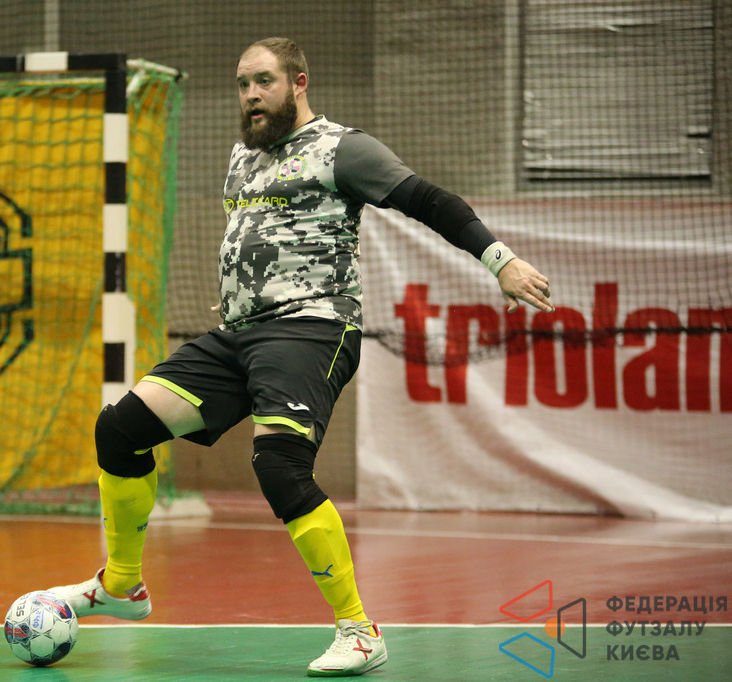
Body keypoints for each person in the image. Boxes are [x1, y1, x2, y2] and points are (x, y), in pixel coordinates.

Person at [48, 37, 555, 677]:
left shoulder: (344, 149)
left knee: (279, 464)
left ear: (299, 82)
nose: (251, 95)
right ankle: (123, 586)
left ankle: (360, 631)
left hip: (312, 327)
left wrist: (500, 261)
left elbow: (431, 201)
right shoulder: (242, 155)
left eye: (263, 81)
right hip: (240, 334)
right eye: (242, 84)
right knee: (120, 429)